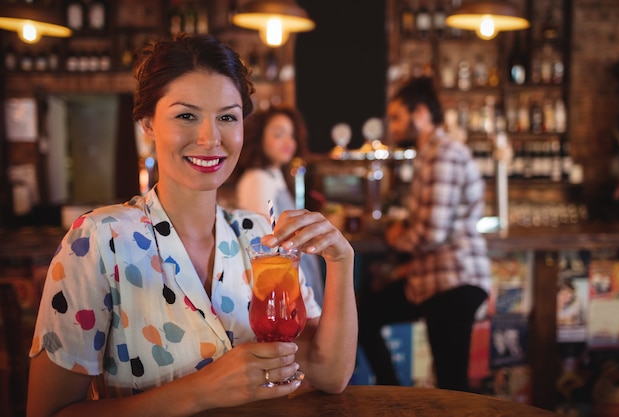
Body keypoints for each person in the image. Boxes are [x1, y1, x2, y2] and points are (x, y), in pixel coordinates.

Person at [27, 33, 357, 417]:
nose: (209, 138)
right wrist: (201, 391)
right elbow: (47, 412)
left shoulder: (260, 237)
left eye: (227, 117)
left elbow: (329, 373)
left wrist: (341, 261)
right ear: (148, 123)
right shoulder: (98, 241)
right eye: (186, 115)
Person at [357, 76, 491, 391]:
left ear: (420, 113)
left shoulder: (442, 153)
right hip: (435, 280)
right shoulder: (432, 153)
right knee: (365, 316)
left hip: (454, 280)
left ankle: (393, 395)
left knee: (452, 386)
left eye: (397, 117)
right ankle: (392, 396)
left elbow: (430, 232)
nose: (392, 126)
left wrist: (395, 236)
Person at [233, 105, 325, 305]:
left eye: (291, 135)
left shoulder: (274, 175)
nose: (288, 142)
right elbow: (262, 240)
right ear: (259, 138)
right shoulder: (257, 179)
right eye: (278, 134)